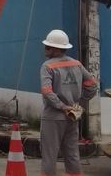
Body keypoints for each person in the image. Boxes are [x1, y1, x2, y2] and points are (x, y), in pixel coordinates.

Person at [39, 29, 98, 176]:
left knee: (49, 155)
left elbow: (47, 91)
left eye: (48, 46)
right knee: (72, 154)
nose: (45, 49)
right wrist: (78, 105)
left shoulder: (47, 66)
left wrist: (62, 106)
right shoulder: (77, 64)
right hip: (73, 116)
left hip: (53, 117)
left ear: (57, 48)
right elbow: (92, 85)